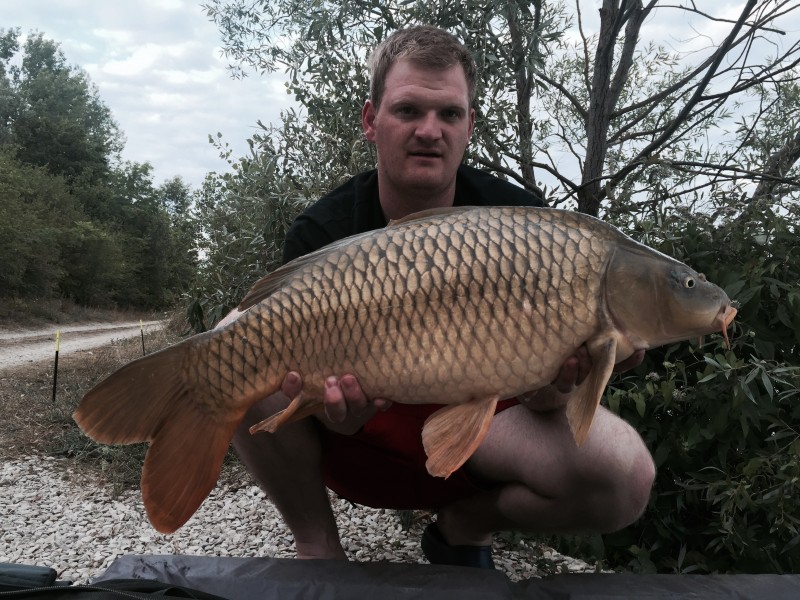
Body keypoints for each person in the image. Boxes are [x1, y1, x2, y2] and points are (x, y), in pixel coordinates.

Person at [221, 25, 655, 569]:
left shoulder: (523, 221)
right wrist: (336, 415)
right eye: (408, 111)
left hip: (484, 422)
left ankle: (464, 528)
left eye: (449, 114)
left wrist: (561, 382)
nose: (431, 130)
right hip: (362, 432)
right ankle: (317, 545)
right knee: (235, 336)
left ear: (469, 125)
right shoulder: (322, 231)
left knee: (626, 475)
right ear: (370, 120)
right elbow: (316, 407)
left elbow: (544, 403)